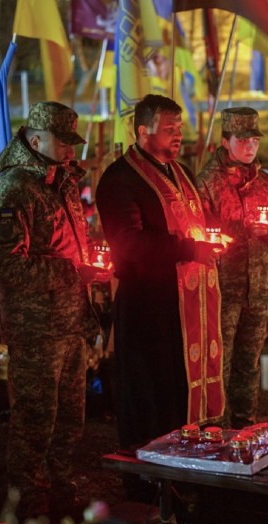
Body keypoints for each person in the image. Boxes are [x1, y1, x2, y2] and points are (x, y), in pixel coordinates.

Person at [0, 101, 110, 519]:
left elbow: (75, 240)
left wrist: (91, 266)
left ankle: (59, 490)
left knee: (70, 420)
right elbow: (9, 265)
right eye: (64, 141)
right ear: (36, 140)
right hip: (35, 327)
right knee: (34, 421)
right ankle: (28, 503)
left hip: (70, 321)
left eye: (74, 141)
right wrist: (73, 270)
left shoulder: (63, 183)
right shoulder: (13, 189)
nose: (71, 150)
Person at [95, 94, 224, 451]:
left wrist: (212, 240)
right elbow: (130, 244)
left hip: (184, 307)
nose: (177, 135)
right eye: (169, 129)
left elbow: (194, 224)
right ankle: (146, 481)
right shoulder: (120, 179)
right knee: (149, 396)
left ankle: (182, 471)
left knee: (177, 393)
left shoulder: (179, 172)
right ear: (142, 130)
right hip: (147, 306)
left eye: (179, 128)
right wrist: (190, 249)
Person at [196, 107, 268, 428]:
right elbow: (194, 234)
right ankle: (214, 432)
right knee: (217, 365)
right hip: (222, 288)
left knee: (249, 364)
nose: (250, 146)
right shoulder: (207, 183)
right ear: (226, 141)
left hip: (260, 288)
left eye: (254, 139)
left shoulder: (266, 184)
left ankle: (244, 427)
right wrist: (217, 242)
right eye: (242, 140)